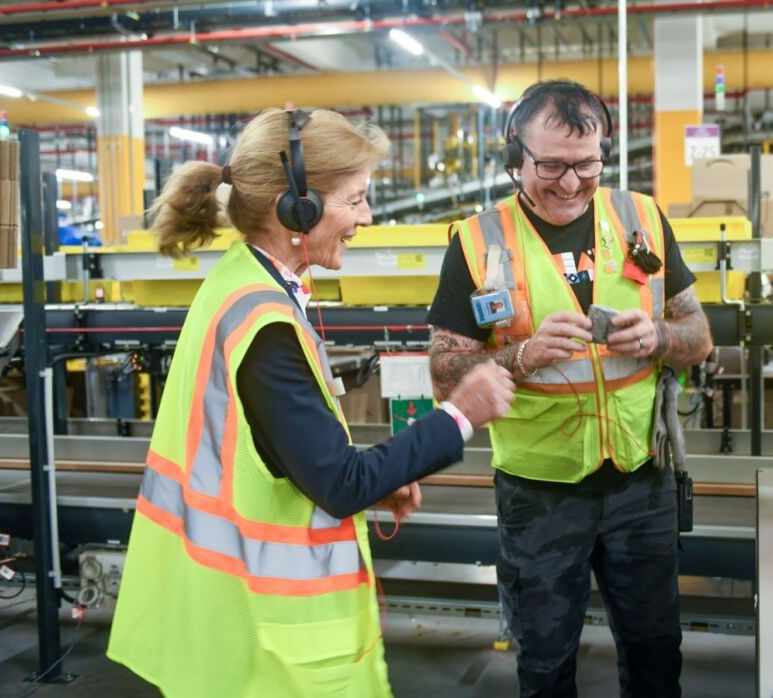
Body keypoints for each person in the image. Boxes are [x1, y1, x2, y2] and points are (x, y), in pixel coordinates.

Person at [107, 108, 515, 698]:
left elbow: (292, 452)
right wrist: (460, 414)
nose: (367, 218)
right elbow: (341, 482)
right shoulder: (265, 324)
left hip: (231, 615)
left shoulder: (242, 283)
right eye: (354, 200)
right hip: (268, 642)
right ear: (295, 210)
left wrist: (385, 474)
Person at [427, 80, 713, 698]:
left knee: (656, 651)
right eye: (550, 165)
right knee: (545, 659)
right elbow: (446, 376)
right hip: (539, 494)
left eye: (586, 164)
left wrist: (658, 336)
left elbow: (700, 337)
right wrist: (522, 355)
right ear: (514, 159)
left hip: (641, 478)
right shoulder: (478, 244)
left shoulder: (640, 217)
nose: (569, 183)